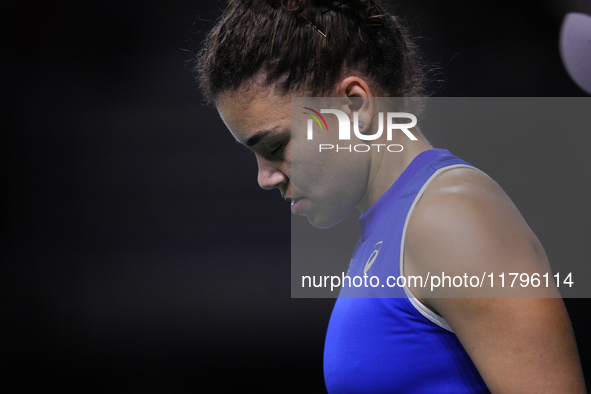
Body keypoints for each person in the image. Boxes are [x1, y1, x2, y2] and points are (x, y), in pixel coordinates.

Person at [195, 0, 587, 392]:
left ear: (355, 104)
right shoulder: (391, 232)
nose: (265, 177)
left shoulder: (449, 217)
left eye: (277, 145)